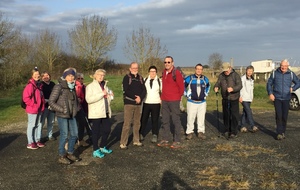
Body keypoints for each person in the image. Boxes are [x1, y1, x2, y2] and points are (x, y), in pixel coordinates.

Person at [49, 67, 81, 164]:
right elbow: (51, 102)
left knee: (75, 134)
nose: (71, 78)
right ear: (64, 76)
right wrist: (62, 110)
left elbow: (75, 101)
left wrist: (77, 108)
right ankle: (61, 154)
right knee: (64, 135)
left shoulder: (72, 87)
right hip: (62, 115)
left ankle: (70, 152)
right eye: (69, 76)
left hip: (72, 115)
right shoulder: (59, 87)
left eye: (72, 76)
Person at [267, 59, 300, 140]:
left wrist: (293, 88)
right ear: (280, 66)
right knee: (279, 115)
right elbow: (269, 83)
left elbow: (298, 82)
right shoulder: (275, 73)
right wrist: (270, 93)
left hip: (286, 98)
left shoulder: (291, 74)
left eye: (285, 66)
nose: (283, 67)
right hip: (277, 97)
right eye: (282, 66)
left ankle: (283, 132)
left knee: (284, 116)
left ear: (287, 66)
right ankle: (279, 133)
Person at [157, 56, 184, 148]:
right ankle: (165, 139)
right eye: (165, 62)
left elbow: (181, 88)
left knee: (175, 120)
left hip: (174, 100)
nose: (167, 64)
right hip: (164, 100)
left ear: (172, 63)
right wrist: (162, 98)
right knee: (165, 120)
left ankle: (177, 140)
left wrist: (177, 97)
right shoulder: (164, 72)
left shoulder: (176, 73)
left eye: (169, 62)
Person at [86, 69, 113, 158]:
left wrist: (110, 96)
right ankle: (95, 149)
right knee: (96, 132)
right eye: (99, 75)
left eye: (103, 75)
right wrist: (101, 94)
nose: (101, 76)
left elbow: (106, 96)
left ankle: (102, 146)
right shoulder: (90, 86)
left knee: (107, 129)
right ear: (95, 75)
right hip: (96, 112)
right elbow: (88, 99)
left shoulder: (105, 85)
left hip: (105, 111)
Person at [120, 62, 146, 149]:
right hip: (129, 103)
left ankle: (136, 140)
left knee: (137, 123)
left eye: (136, 68)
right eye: (133, 68)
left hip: (138, 104)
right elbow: (126, 90)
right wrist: (135, 98)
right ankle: (123, 142)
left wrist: (140, 98)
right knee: (127, 123)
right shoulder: (127, 78)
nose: (135, 69)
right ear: (130, 69)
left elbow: (144, 90)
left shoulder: (141, 78)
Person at [214, 62, 242, 139]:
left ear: (230, 68)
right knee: (226, 115)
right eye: (224, 70)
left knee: (234, 115)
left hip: (234, 98)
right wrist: (216, 87)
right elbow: (218, 83)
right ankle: (226, 130)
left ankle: (233, 131)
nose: (226, 72)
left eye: (227, 70)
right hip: (225, 98)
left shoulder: (235, 75)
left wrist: (233, 89)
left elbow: (240, 85)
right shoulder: (221, 75)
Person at [185, 63, 210, 140]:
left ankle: (200, 132)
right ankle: (189, 132)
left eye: (200, 69)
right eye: (197, 69)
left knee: (201, 118)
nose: (199, 70)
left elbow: (208, 86)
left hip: (202, 102)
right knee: (190, 117)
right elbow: (183, 86)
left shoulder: (205, 79)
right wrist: (187, 94)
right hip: (192, 102)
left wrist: (205, 94)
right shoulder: (190, 78)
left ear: (202, 70)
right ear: (195, 69)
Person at [23, 67, 45, 149]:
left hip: (39, 109)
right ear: (32, 75)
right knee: (31, 125)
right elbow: (26, 98)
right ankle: (30, 142)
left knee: (37, 125)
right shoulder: (30, 85)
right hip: (33, 109)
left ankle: (36, 140)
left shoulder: (39, 85)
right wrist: (34, 105)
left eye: (38, 74)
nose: (37, 76)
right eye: (35, 74)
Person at [140, 65, 162, 143]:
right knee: (143, 119)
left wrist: (161, 99)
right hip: (146, 102)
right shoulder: (144, 80)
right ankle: (141, 133)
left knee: (155, 120)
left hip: (156, 103)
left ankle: (155, 134)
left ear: (156, 72)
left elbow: (162, 91)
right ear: (149, 72)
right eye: (151, 71)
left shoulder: (159, 81)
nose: (152, 73)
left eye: (154, 71)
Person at [239, 66, 258, 133]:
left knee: (245, 112)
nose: (250, 72)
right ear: (246, 70)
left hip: (249, 98)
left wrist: (251, 97)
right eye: (248, 71)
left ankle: (242, 126)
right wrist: (240, 96)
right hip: (243, 98)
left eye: (251, 71)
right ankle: (252, 125)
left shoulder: (251, 79)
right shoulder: (242, 78)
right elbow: (241, 88)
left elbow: (251, 89)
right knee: (249, 111)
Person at [75, 72, 91, 147]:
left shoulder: (84, 87)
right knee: (77, 125)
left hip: (85, 107)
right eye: (78, 78)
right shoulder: (75, 87)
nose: (80, 80)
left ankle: (80, 139)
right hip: (77, 108)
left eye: (82, 78)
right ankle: (75, 140)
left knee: (82, 125)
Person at [40, 71, 56, 141]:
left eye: (47, 75)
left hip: (52, 106)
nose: (46, 77)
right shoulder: (41, 84)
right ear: (42, 77)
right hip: (44, 106)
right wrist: (45, 100)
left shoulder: (53, 84)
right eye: (44, 76)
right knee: (42, 122)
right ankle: (39, 137)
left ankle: (50, 135)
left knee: (51, 121)